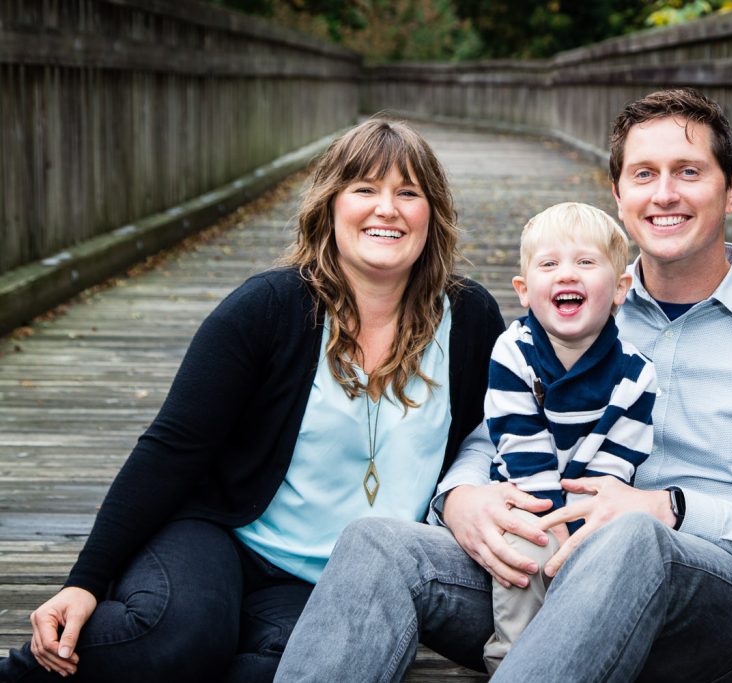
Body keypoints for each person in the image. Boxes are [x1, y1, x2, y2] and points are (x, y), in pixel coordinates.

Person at [275, 88, 732, 682]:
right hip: (547, 567)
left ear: (731, 187)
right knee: (377, 545)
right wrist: (460, 497)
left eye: (689, 172)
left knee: (631, 539)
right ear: (618, 195)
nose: (664, 194)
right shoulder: (579, 300)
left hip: (712, 601)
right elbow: (501, 425)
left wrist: (668, 510)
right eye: (643, 174)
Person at [0, 118, 504, 683]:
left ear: (431, 214)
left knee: (279, 671)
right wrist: (84, 581)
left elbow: (494, 441)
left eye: (408, 193)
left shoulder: (471, 318)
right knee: (177, 638)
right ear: (330, 205)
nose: (386, 208)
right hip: (224, 538)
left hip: (338, 581)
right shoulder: (268, 307)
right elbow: (170, 448)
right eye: (364, 189)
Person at [481, 202, 657, 673]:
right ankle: (512, 658)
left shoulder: (636, 374)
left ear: (621, 288)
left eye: (585, 262)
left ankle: (578, 652)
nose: (567, 274)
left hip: (594, 500)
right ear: (524, 290)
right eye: (549, 264)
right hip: (525, 496)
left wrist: (580, 525)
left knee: (607, 554)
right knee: (525, 547)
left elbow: (618, 462)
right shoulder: (513, 351)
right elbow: (519, 443)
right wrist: (552, 523)